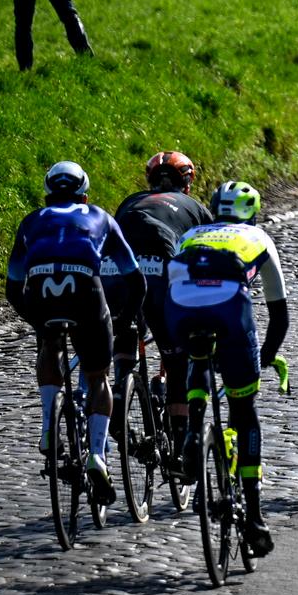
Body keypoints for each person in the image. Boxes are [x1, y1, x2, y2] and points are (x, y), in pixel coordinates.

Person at [5, 161, 139, 505]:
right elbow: (133, 277)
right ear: (85, 193)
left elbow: (12, 287)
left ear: (47, 193)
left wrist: (36, 322)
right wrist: (123, 318)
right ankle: (96, 454)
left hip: (40, 288)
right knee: (97, 377)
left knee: (49, 346)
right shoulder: (100, 216)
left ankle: (49, 428)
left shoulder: (31, 221)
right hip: (85, 288)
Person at [169, 180, 290, 556]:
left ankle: (192, 432)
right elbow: (279, 315)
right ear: (251, 211)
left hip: (179, 303)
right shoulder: (258, 237)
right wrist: (265, 356)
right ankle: (253, 516)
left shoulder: (190, 233)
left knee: (195, 354)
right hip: (228, 307)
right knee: (244, 410)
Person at [114, 150, 214, 445]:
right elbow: (205, 263)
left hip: (117, 273)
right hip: (161, 272)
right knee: (178, 357)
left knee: (127, 324)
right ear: (187, 182)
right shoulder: (194, 208)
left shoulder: (129, 201)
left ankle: (120, 385)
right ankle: (181, 444)